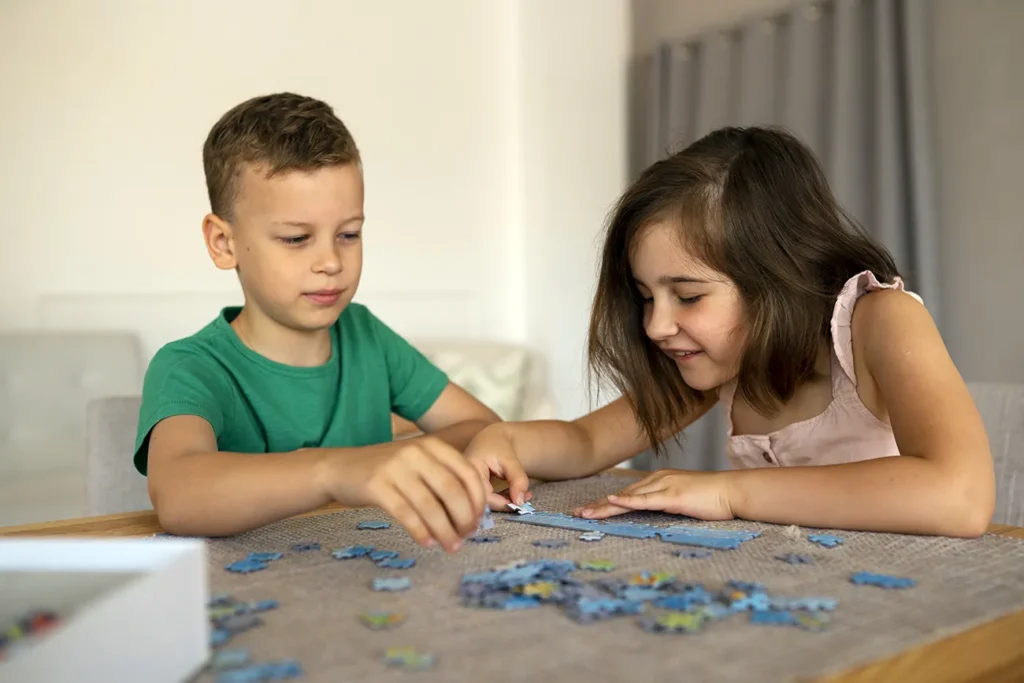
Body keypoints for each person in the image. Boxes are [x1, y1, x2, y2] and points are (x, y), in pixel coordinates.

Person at [466, 125, 995, 538]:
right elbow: (584, 443)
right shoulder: (723, 356)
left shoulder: (879, 319)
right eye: (646, 296)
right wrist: (504, 438)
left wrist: (728, 494)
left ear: (776, 277)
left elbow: (961, 496)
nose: (656, 325)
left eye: (689, 296)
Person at [135, 92, 497, 547]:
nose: (330, 261)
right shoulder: (189, 367)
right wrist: (340, 470)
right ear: (223, 243)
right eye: (296, 238)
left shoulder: (366, 336)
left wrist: (388, 460)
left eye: (349, 234)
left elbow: (483, 429)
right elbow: (178, 494)